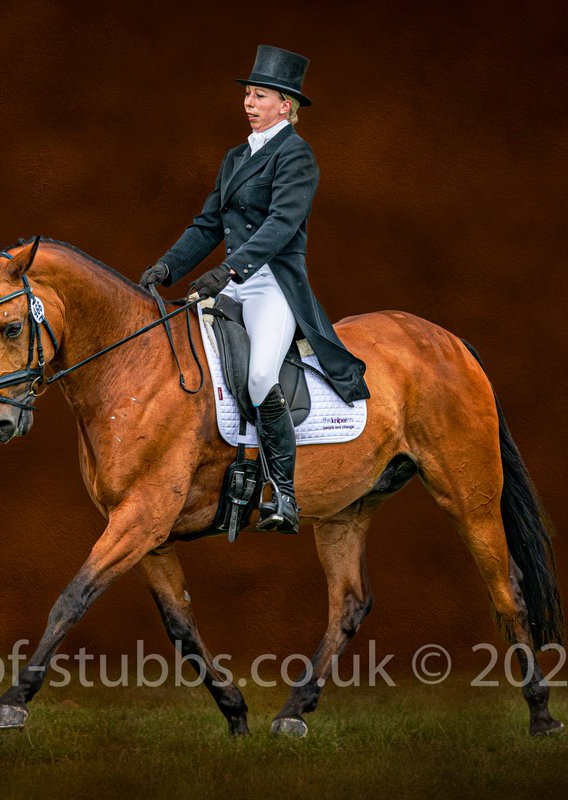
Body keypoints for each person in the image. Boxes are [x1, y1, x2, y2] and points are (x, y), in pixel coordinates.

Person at [140, 44, 370, 534]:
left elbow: (281, 224)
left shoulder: (296, 156)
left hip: (272, 286)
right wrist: (166, 266)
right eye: (247, 94)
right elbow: (208, 224)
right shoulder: (235, 157)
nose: (249, 102)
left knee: (261, 375)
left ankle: (284, 494)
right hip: (234, 283)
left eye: (260, 95)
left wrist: (229, 272)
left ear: (285, 105)